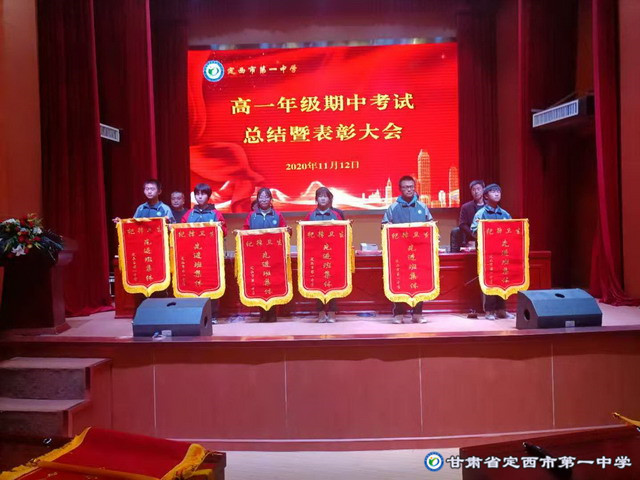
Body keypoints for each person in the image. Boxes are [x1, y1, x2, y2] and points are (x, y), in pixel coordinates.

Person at [382, 175, 433, 324]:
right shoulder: (393, 208)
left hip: (419, 253)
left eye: (411, 187)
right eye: (405, 187)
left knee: (419, 281)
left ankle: (417, 314)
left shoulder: (422, 207)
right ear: (400, 189)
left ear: (414, 188)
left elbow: (431, 224)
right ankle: (398, 314)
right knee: (399, 281)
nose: (409, 190)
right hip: (400, 253)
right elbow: (384, 226)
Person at [470, 183, 515, 320]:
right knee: (490, 281)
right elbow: (473, 231)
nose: (496, 194)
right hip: (488, 254)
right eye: (493, 191)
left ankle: (502, 309)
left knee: (503, 280)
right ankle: (489, 311)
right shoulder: (481, 214)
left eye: (498, 192)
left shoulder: (505, 214)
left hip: (502, 254)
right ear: (486, 196)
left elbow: (512, 231)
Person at [243, 188, 287, 322]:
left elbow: (285, 231)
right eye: (261, 197)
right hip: (256, 257)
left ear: (271, 199)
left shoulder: (277, 215)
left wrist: (288, 231)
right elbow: (245, 231)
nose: (263, 200)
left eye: (266, 197)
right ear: (257, 199)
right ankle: (262, 313)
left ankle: (272, 313)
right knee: (259, 284)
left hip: (274, 257)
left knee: (273, 283)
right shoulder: (252, 216)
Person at [304, 187, 346, 323]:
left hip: (332, 256)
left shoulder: (337, 215)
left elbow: (344, 234)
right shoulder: (310, 216)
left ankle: (332, 312)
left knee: (333, 284)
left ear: (330, 198)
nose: (322, 198)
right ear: (316, 199)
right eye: (320, 196)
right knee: (318, 285)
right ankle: (321, 312)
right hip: (316, 257)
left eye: (325, 196)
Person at [450, 180, 485, 252]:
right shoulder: (466, 207)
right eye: (473, 190)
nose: (476, 192)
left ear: (483, 190)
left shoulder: (489, 206)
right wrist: (474, 236)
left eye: (478, 189)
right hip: (470, 237)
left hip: (486, 236)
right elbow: (462, 224)